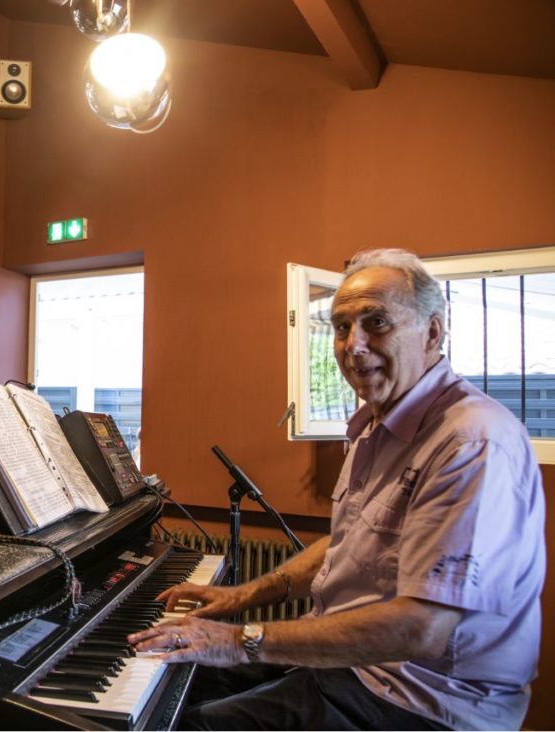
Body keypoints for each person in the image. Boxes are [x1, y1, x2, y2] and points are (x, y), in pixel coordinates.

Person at [129, 248, 545, 731]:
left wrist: (238, 639)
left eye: (377, 323)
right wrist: (244, 595)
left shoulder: (471, 440)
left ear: (432, 332)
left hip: (421, 699)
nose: (354, 345)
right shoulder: (374, 423)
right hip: (360, 666)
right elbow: (353, 543)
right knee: (163, 679)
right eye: (342, 327)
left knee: (177, 724)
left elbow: (423, 629)